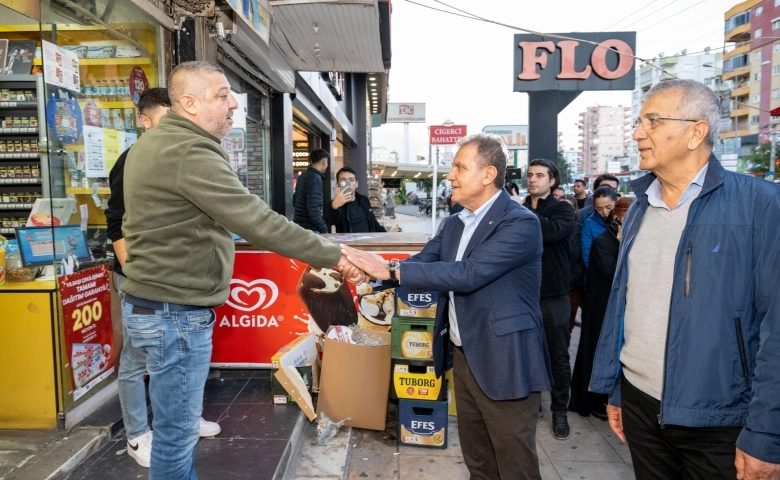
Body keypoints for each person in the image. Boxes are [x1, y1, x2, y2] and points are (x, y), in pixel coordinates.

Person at [121, 61, 363, 480]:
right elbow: (257, 220)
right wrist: (335, 255)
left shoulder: (159, 143)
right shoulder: (187, 150)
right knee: (177, 437)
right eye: (222, 95)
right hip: (173, 314)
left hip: (161, 308)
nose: (234, 103)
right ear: (191, 103)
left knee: (175, 433)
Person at [590, 79, 780, 480]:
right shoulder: (641, 206)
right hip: (641, 407)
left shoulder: (762, 206)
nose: (638, 132)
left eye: (653, 121)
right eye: (639, 121)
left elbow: (775, 330)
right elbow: (629, 305)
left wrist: (766, 433)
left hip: (721, 418)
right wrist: (619, 388)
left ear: (697, 132)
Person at [342, 133, 552, 480]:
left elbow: (469, 274)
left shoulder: (520, 222)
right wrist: (371, 270)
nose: (450, 175)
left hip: (505, 359)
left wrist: (389, 268)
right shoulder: (455, 221)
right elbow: (423, 263)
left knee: (515, 464)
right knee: (478, 460)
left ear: (487, 175)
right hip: (464, 355)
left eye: (459, 167)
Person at [106, 88, 222, 468]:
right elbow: (116, 220)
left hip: (167, 285)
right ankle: (138, 434)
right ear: (144, 121)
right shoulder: (136, 158)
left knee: (175, 363)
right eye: (163, 118)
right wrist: (133, 270)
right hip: (142, 282)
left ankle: (184, 417)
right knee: (135, 361)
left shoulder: (174, 154)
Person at [523, 158, 575, 440]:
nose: (533, 180)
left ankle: (560, 411)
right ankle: (532, 408)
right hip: (523, 296)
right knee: (525, 354)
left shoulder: (562, 211)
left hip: (553, 297)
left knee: (558, 357)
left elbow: (552, 232)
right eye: (530, 175)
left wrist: (521, 214)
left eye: (540, 175)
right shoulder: (519, 210)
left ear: (552, 181)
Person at [569, 197, 634, 420]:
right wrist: (622, 243)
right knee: (597, 351)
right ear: (616, 219)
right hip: (601, 306)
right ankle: (594, 400)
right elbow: (615, 273)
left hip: (620, 307)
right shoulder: (602, 242)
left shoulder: (631, 242)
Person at [326, 166, 386, 233]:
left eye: (351, 180)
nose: (348, 184)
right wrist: (334, 206)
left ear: (356, 184)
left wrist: (387, 235)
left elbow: (373, 223)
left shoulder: (363, 199)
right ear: (337, 184)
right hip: (348, 243)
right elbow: (331, 221)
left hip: (367, 242)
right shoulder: (335, 204)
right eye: (343, 181)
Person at [560, 194, 583, 336]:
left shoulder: (581, 230)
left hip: (572, 288)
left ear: (575, 210)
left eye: (568, 208)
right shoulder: (550, 231)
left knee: (568, 327)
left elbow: (582, 259)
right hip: (553, 289)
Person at [293, 148, 330, 233]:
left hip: (298, 227)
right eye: (327, 162)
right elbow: (314, 209)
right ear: (324, 162)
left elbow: (295, 201)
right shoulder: (315, 178)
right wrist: (324, 229)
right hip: (311, 229)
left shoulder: (303, 175)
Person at [580, 186, 617, 269]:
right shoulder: (589, 224)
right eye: (599, 208)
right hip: (598, 275)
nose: (605, 212)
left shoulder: (626, 219)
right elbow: (587, 255)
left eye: (608, 207)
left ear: (616, 202)